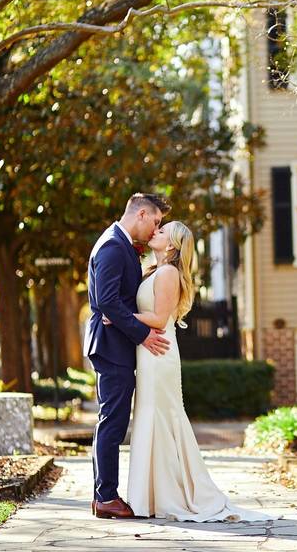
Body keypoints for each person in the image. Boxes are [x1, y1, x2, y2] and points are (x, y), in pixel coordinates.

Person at [115, 220, 271, 522]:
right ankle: (152, 495)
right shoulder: (153, 269)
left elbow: (160, 318)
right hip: (148, 354)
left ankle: (169, 494)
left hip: (159, 355)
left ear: (172, 245)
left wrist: (120, 316)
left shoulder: (170, 272)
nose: (155, 232)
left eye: (163, 231)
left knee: (161, 416)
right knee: (150, 416)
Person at [84, 193, 172, 519]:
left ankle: (102, 495)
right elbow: (106, 301)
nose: (155, 230)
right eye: (157, 222)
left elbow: (116, 301)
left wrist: (129, 315)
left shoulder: (120, 244)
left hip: (115, 344)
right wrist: (144, 334)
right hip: (111, 347)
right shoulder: (111, 245)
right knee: (113, 422)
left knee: (113, 421)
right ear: (143, 214)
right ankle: (106, 496)